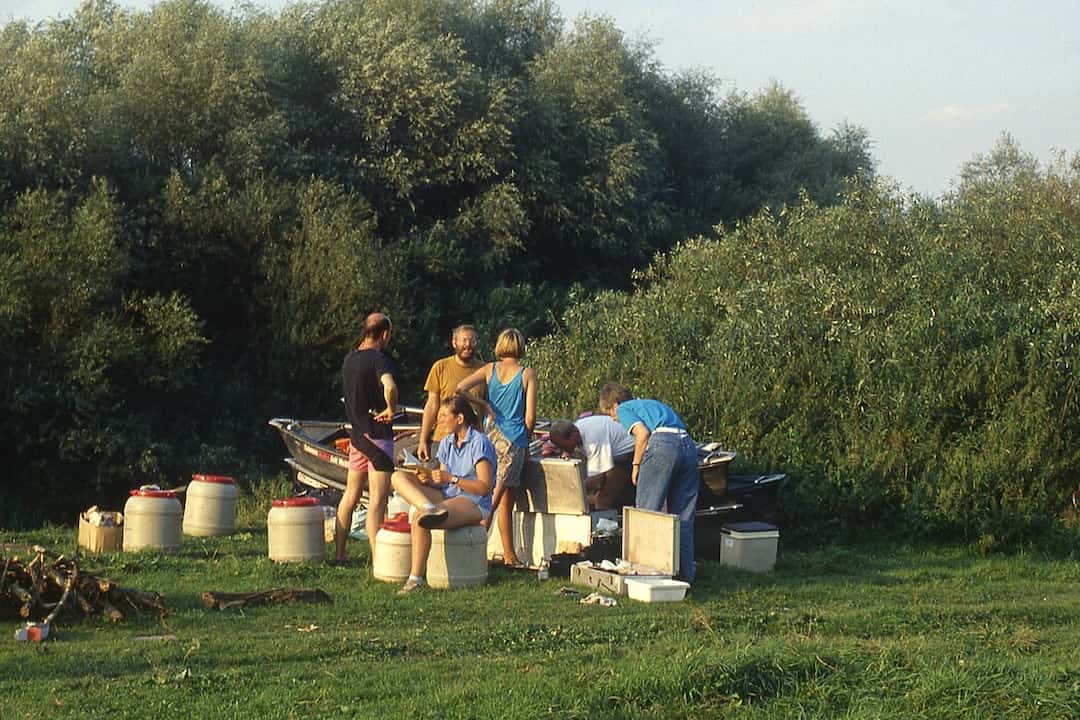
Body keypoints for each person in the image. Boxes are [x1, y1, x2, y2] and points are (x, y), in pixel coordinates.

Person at [390, 394, 496, 594]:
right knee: (397, 477)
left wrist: (451, 479)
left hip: (473, 500)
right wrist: (429, 479)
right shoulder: (448, 442)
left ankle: (415, 579)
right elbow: (443, 481)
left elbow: (484, 487)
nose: (440, 421)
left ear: (460, 418)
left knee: (419, 518)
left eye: (444, 415)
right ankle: (428, 506)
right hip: (448, 494)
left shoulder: (479, 443)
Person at [598, 382, 699, 582]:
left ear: (615, 404)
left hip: (663, 446)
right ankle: (685, 577)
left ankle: (645, 575)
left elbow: (643, 434)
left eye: (611, 413)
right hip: (688, 446)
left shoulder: (626, 408)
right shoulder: (652, 404)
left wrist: (636, 465)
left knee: (645, 513)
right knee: (683, 518)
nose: (614, 418)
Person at [455, 328, 536, 568]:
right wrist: (527, 440)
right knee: (492, 501)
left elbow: (459, 388)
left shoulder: (489, 369)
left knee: (505, 500)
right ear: (520, 346)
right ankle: (472, 556)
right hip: (514, 440)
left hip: (491, 435)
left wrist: (484, 405)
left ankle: (510, 556)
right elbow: (530, 418)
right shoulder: (527, 373)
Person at [337, 313, 398, 567]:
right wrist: (391, 408)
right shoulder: (379, 360)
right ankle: (377, 558)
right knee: (377, 500)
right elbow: (390, 386)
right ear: (384, 334)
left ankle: (340, 554)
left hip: (357, 437)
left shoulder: (349, 359)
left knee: (350, 494)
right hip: (378, 437)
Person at [417, 325, 486, 463]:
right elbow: (431, 406)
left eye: (472, 341)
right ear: (454, 343)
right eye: (464, 340)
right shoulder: (440, 367)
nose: (468, 345)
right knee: (434, 481)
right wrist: (423, 440)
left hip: (473, 443)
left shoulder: (484, 370)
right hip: (442, 439)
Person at [548, 415, 636, 510]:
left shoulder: (592, 439)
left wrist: (570, 491)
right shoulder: (579, 431)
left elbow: (597, 479)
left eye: (563, 446)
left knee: (602, 498)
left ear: (572, 435)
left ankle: (605, 523)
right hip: (619, 455)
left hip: (631, 452)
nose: (563, 450)